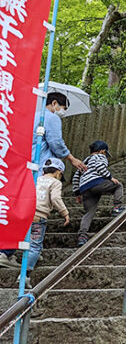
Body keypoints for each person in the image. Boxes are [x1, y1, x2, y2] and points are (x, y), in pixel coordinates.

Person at [0, 92, 86, 268]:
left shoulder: (29, 116)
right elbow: (56, 142)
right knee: (32, 211)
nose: (61, 112)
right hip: (39, 169)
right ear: (54, 103)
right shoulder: (50, 117)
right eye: (62, 108)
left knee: (22, 209)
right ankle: (7, 251)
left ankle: (25, 250)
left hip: (22, 167)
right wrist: (71, 158)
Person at [17, 158, 70, 288]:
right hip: (38, 217)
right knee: (35, 245)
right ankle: (25, 275)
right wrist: (65, 213)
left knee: (25, 242)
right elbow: (55, 198)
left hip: (24, 214)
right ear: (59, 172)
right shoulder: (55, 183)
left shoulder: (35, 178)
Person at [73, 140, 125, 247]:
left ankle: (82, 236)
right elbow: (100, 167)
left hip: (85, 188)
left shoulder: (84, 162)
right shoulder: (100, 157)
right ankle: (117, 207)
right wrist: (110, 178)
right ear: (102, 151)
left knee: (89, 212)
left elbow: (75, 177)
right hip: (96, 183)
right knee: (118, 185)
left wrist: (77, 193)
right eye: (106, 153)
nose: (106, 155)